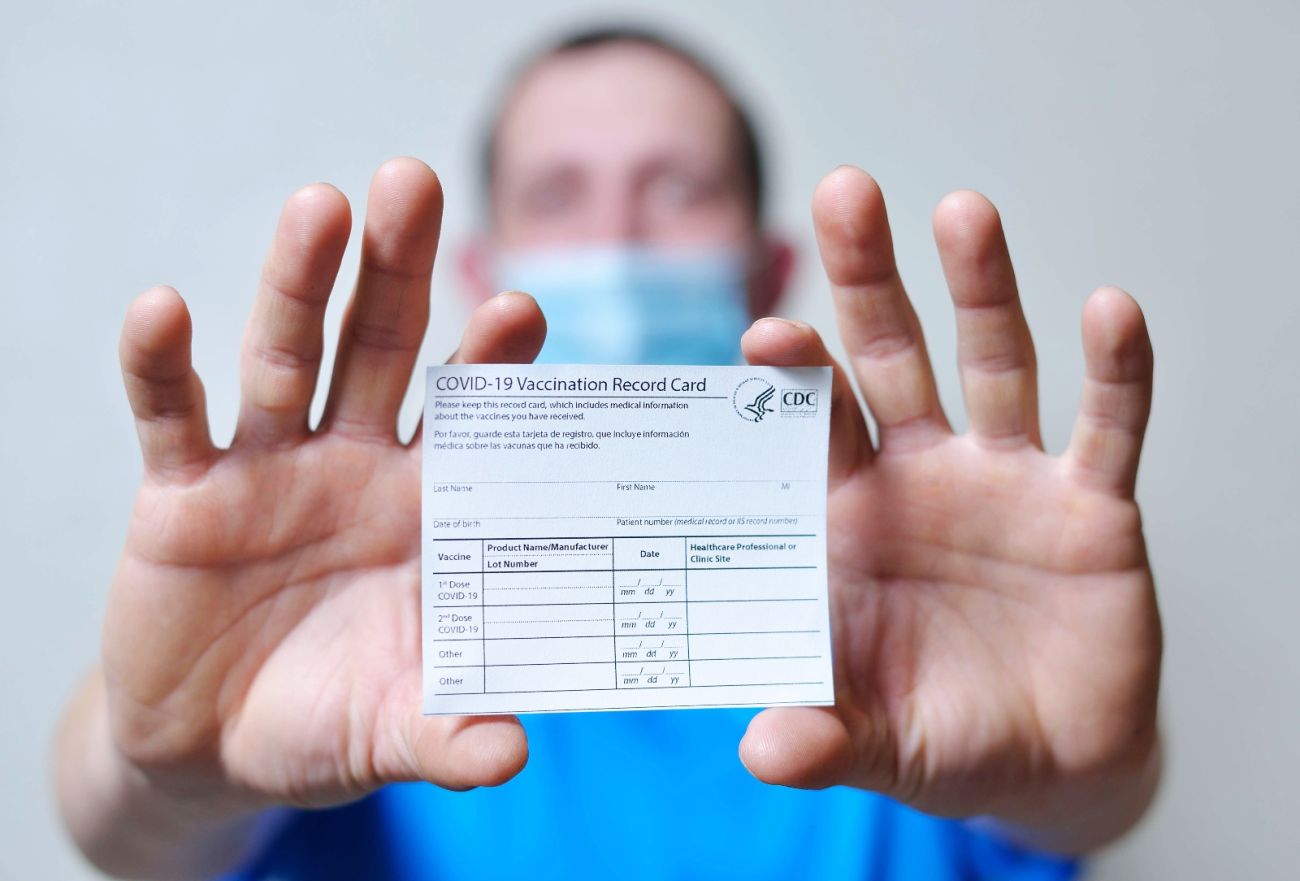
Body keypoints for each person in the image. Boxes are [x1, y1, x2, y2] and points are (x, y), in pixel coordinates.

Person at [54, 26, 1162, 880]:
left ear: (766, 269)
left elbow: (1062, 799)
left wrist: (1084, 776)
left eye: (676, 189)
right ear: (485, 271)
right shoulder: (349, 596)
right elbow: (134, 826)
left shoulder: (913, 604)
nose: (619, 241)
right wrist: (161, 770)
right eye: (558, 193)